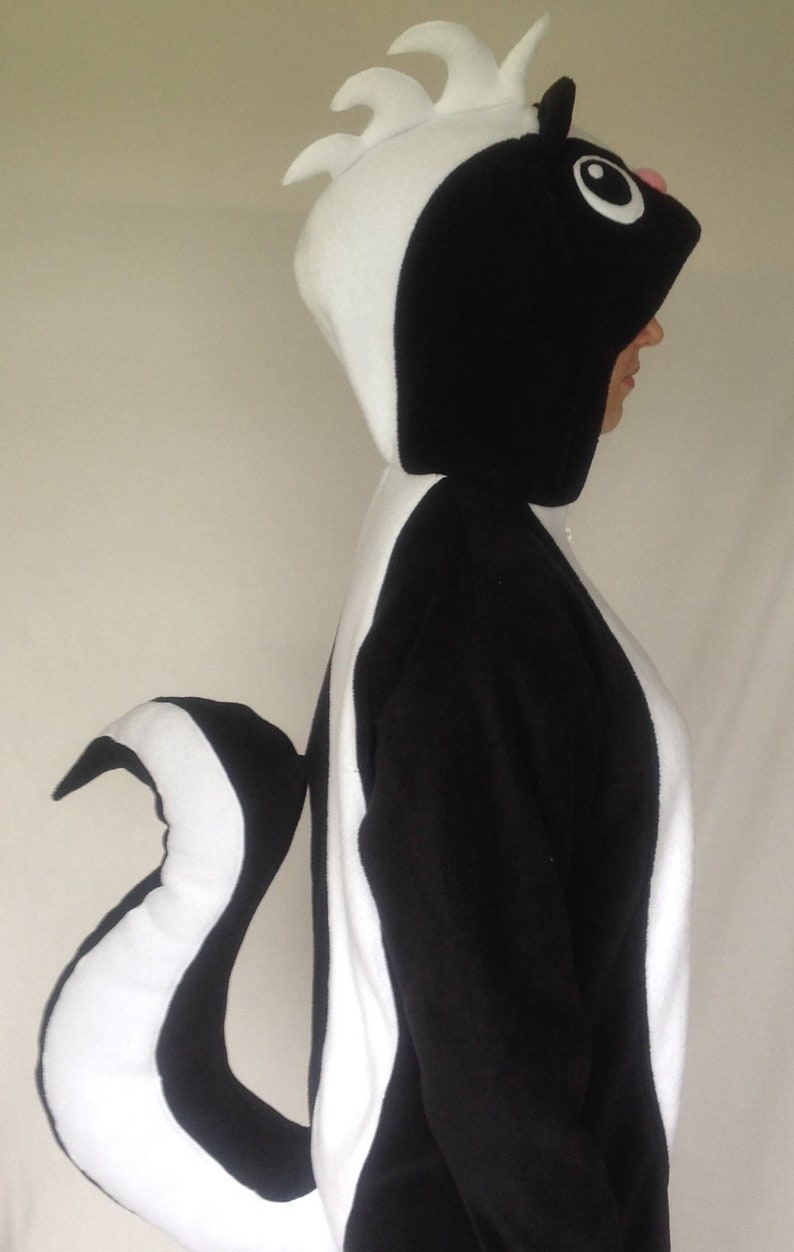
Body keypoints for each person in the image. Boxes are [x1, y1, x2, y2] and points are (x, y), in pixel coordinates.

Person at [38, 19, 700, 1252]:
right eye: (616, 306)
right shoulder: (472, 577)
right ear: (510, 308)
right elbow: (484, 1017)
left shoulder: (458, 547)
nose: (648, 337)